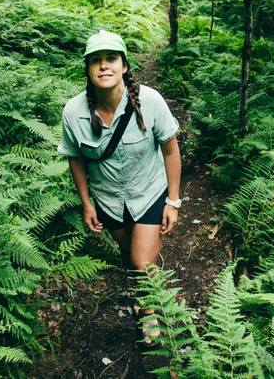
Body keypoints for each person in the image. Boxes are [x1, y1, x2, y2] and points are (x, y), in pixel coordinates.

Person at [57, 30, 182, 346]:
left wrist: (173, 200)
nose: (104, 66)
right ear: (87, 69)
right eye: (95, 61)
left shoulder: (150, 101)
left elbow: (170, 149)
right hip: (109, 200)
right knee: (129, 256)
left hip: (149, 191)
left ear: (124, 66)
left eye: (111, 59)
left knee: (141, 262)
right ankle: (148, 272)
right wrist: (87, 203)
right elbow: (75, 159)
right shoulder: (74, 112)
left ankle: (149, 311)